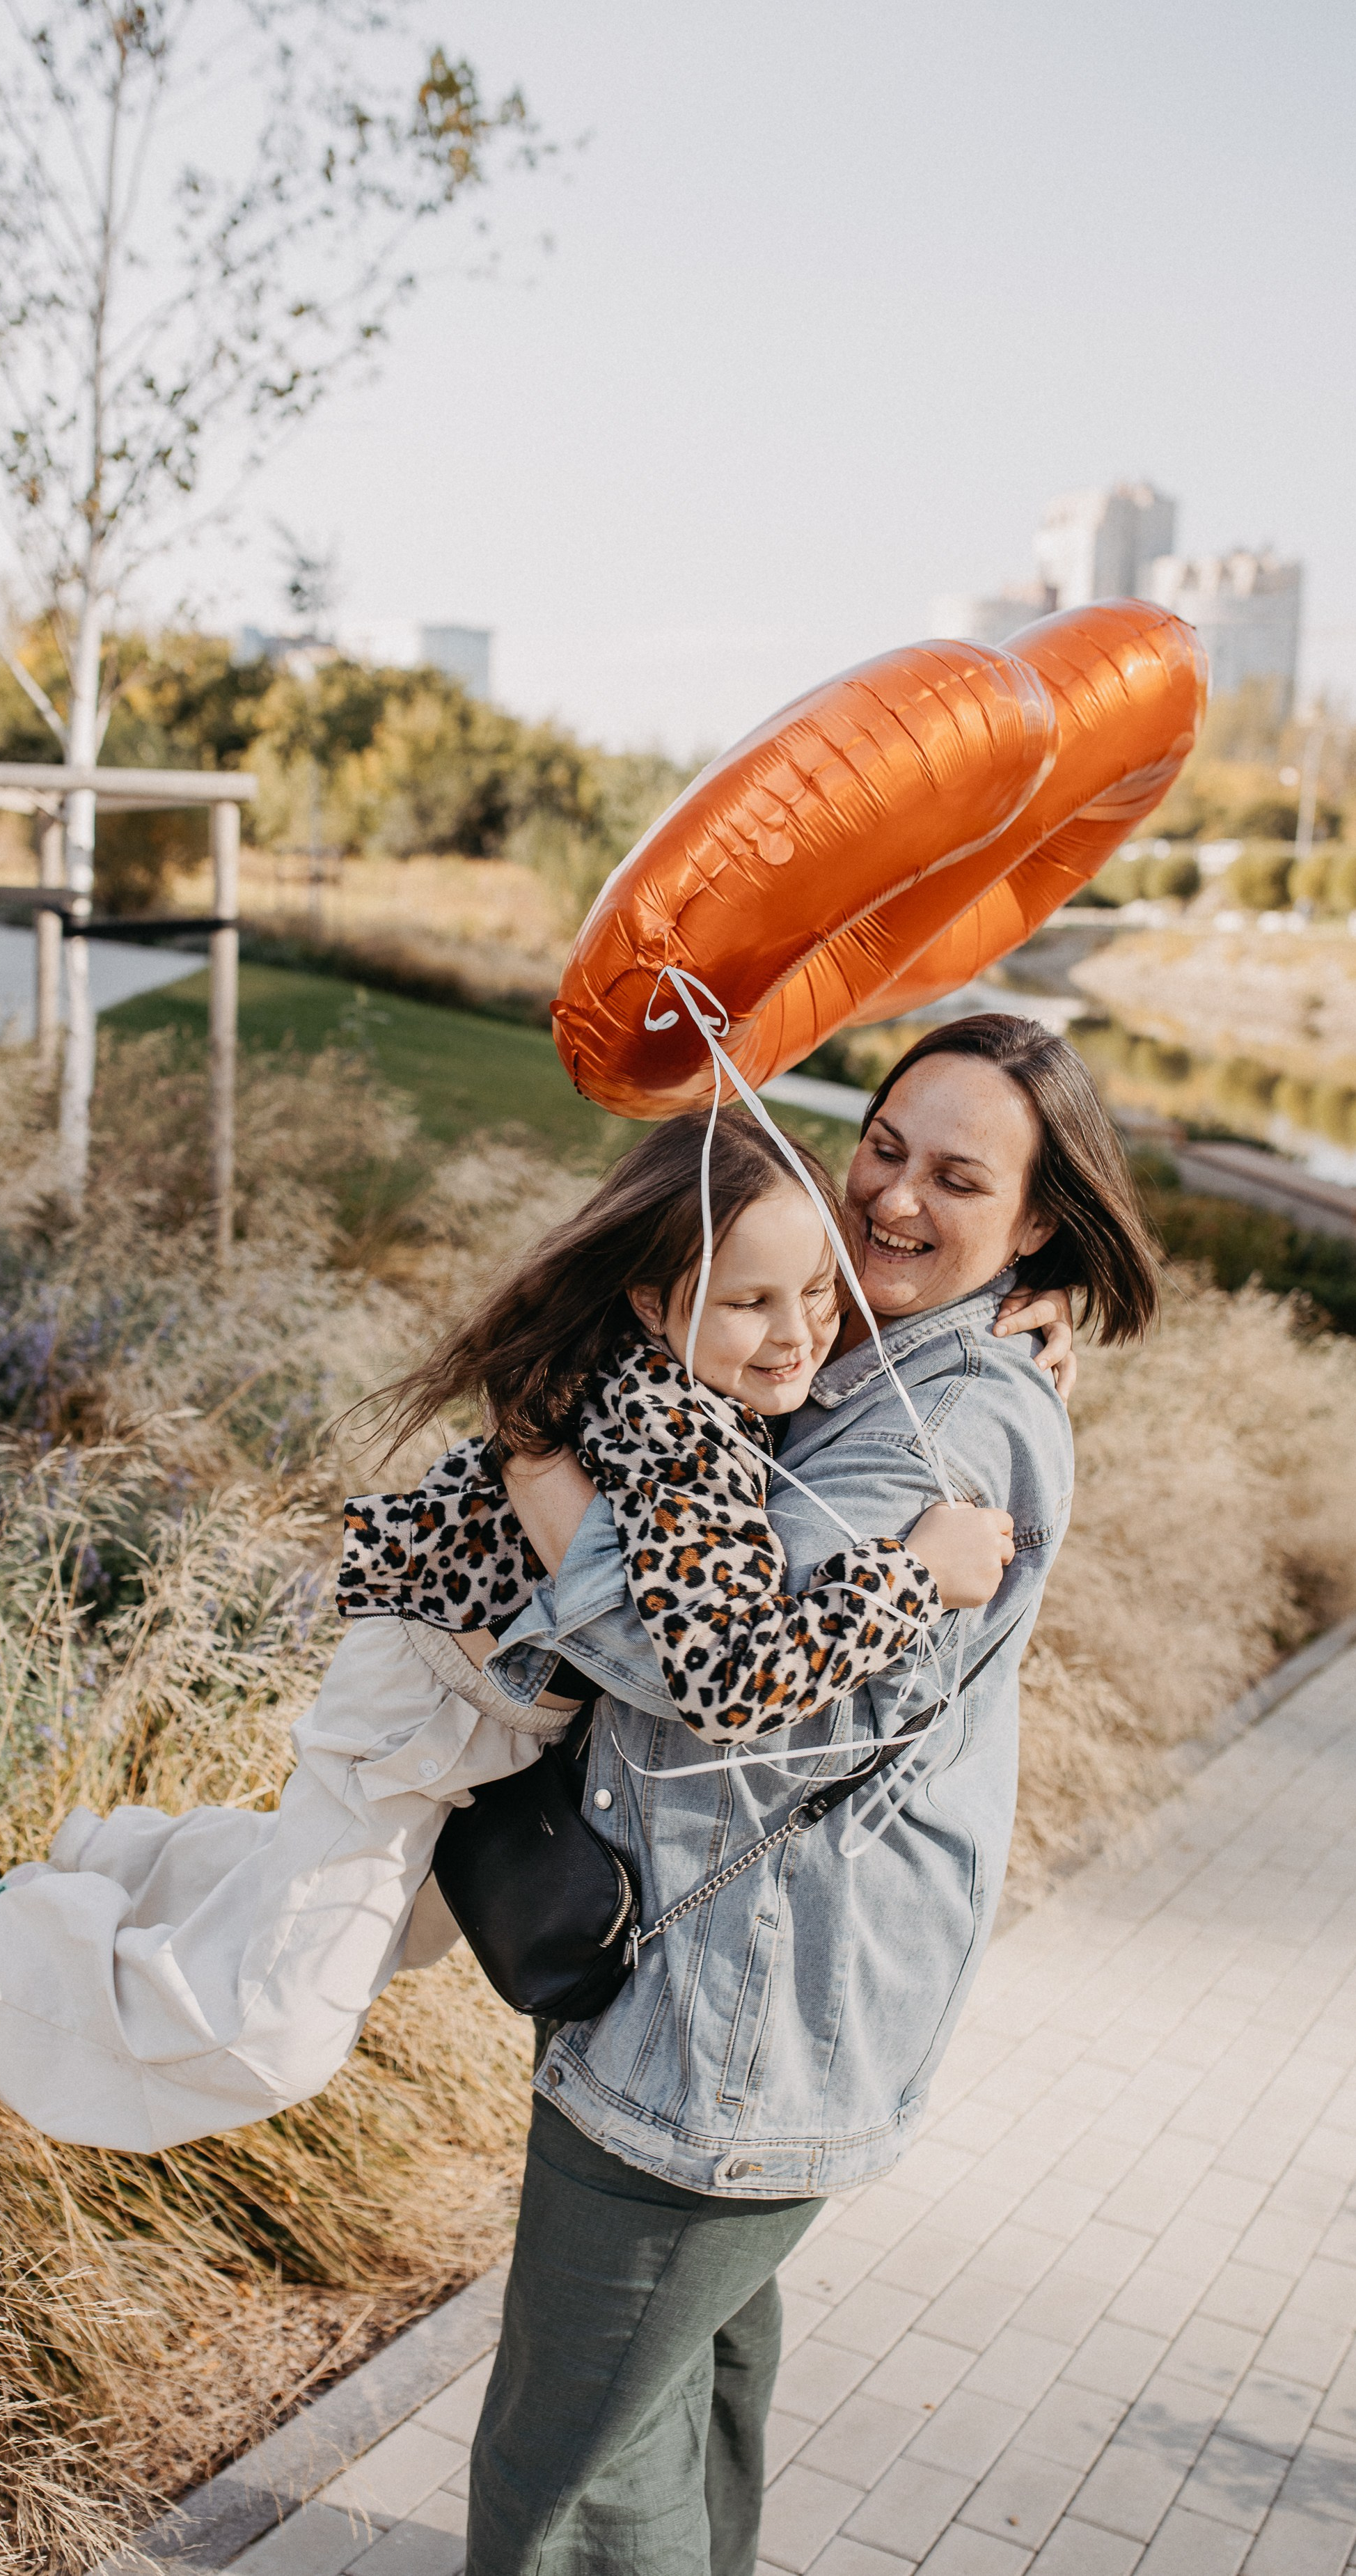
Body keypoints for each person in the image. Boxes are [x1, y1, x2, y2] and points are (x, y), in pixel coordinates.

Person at [0, 1117, 1016, 2144]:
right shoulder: (679, 1436)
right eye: (750, 1302)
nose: (799, 1335)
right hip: (429, 1703)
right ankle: (3, 1964)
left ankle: (115, 1862)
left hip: (461, 1703)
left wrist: (1025, 1306)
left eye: (818, 1291)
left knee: (364, 1923)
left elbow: (848, 1349)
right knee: (276, 2029)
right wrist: (916, 1573)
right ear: (654, 1306)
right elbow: (725, 1676)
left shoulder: (702, 1378)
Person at [459, 1013, 1159, 2576]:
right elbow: (705, 1364)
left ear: (1037, 1218)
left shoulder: (959, 1414)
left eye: (958, 1177)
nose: (892, 1196)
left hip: (727, 2022)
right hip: (752, 2007)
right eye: (886, 1146)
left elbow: (724, 1678)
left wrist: (536, 1473)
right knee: (675, 2405)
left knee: (560, 2479)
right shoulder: (888, 1345)